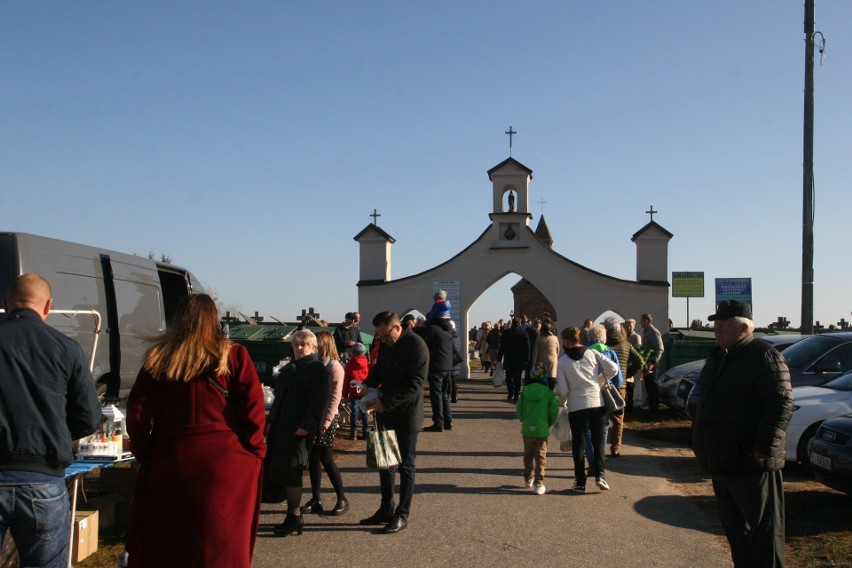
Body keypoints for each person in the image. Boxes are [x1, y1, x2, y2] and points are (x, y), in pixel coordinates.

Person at [125, 294, 266, 567]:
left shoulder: (158, 356)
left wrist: (147, 454)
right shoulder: (232, 354)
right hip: (226, 463)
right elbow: (253, 409)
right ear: (213, 319)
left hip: (171, 457)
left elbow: (137, 412)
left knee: (170, 543)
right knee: (220, 546)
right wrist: (254, 450)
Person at [0, 274, 101, 568]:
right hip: (43, 480)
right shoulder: (66, 348)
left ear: (5, 304)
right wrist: (55, 430)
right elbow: (88, 417)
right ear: (48, 307)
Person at [691, 301, 793, 567]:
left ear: (745, 328)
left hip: (752, 462)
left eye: (724, 325)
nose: (717, 330)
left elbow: (781, 402)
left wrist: (764, 445)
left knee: (764, 536)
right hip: (723, 462)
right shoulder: (720, 358)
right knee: (737, 535)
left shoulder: (763, 355)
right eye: (716, 325)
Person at [360, 311, 428, 534]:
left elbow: (415, 384)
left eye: (384, 336)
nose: (382, 340)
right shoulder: (388, 344)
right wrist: (367, 384)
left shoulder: (417, 346)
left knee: (406, 465)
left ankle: (402, 513)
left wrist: (386, 402)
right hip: (385, 411)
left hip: (407, 414)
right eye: (379, 337)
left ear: (397, 327)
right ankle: (385, 508)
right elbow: (379, 369)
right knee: (385, 463)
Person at [265, 329, 329, 537]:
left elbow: (318, 401)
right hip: (281, 427)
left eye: (303, 344)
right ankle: (292, 516)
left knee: (292, 471)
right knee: (281, 469)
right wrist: (270, 420)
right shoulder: (290, 368)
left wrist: (307, 425)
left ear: (312, 347)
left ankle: (294, 516)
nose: (299, 348)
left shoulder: (317, 368)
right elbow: (279, 398)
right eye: (296, 344)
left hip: (299, 429)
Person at [556, 326, 618, 494]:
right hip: (596, 403)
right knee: (598, 441)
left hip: (576, 406)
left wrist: (565, 399)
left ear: (567, 341)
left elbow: (562, 390)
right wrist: (597, 383)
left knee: (579, 444)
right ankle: (600, 475)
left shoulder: (562, 361)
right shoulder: (591, 353)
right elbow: (613, 368)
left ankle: (580, 482)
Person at [302, 331, 349, 516]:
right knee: (313, 459)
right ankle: (316, 499)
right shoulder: (317, 365)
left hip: (327, 418)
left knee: (327, 459)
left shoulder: (334, 367)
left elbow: (334, 396)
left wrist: (326, 420)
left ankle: (342, 498)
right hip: (315, 416)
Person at [516, 364, 559, 495]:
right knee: (540, 456)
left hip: (528, 428)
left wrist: (523, 418)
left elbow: (519, 408)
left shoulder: (525, 391)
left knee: (528, 455)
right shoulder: (548, 393)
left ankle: (528, 478)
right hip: (541, 429)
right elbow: (554, 411)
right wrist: (548, 423)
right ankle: (539, 484)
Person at [603, 317, 643, 457]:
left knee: (604, 417)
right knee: (619, 418)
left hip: (604, 385)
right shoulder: (626, 344)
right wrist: (627, 374)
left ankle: (600, 447)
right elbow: (640, 361)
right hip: (621, 386)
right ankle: (615, 448)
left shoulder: (604, 345)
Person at [422, 311, 454, 432]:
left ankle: (438, 422)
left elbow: (423, 343)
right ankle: (448, 421)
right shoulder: (448, 329)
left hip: (436, 366)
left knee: (436, 395)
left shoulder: (432, 329)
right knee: (444, 395)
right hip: (447, 366)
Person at [499, 317, 530, 401]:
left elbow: (502, 346)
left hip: (508, 357)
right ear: (520, 324)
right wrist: (527, 359)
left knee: (508, 376)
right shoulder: (524, 333)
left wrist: (499, 358)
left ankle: (510, 392)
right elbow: (527, 348)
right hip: (519, 358)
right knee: (518, 376)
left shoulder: (506, 333)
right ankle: (516, 393)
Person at [343, 342, 371, 439]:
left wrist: (345, 394)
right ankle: (366, 431)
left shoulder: (349, 365)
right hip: (364, 390)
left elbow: (346, 380)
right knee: (364, 411)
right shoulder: (367, 363)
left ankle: (354, 432)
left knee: (354, 412)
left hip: (354, 391)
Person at [639, 313, 665, 412]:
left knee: (653, 387)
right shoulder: (647, 332)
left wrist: (653, 362)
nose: (640, 323)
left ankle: (654, 410)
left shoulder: (653, 332)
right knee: (649, 387)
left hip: (652, 364)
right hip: (647, 363)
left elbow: (660, 348)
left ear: (646, 321)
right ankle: (651, 408)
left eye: (641, 320)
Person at [531, 320, 560, 390]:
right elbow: (558, 350)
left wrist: (533, 364)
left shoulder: (539, 338)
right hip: (552, 360)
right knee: (552, 377)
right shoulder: (555, 338)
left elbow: (535, 352)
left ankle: (543, 393)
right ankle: (551, 391)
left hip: (541, 361)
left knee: (541, 379)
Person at [622, 318, 642, 411]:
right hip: (624, 362)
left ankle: (630, 404)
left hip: (631, 364)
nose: (629, 327)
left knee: (630, 385)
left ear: (634, 326)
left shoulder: (636, 337)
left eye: (631, 325)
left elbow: (638, 351)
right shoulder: (623, 336)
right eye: (627, 325)